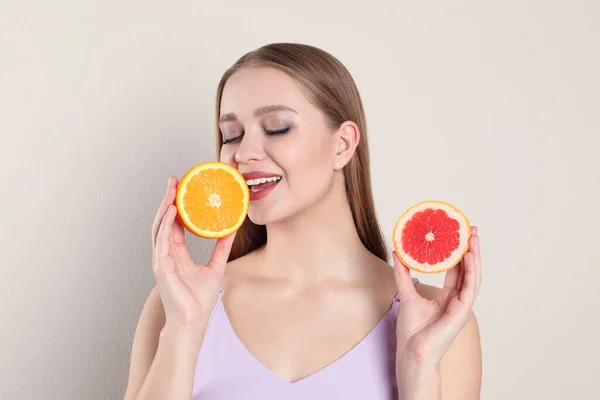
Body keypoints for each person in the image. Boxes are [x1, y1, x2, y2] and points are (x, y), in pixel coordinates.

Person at [123, 43, 482, 400]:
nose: (243, 153)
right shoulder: (178, 302)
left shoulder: (437, 320)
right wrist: (184, 329)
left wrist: (420, 364)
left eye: (277, 127)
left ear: (342, 145)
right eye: (232, 135)